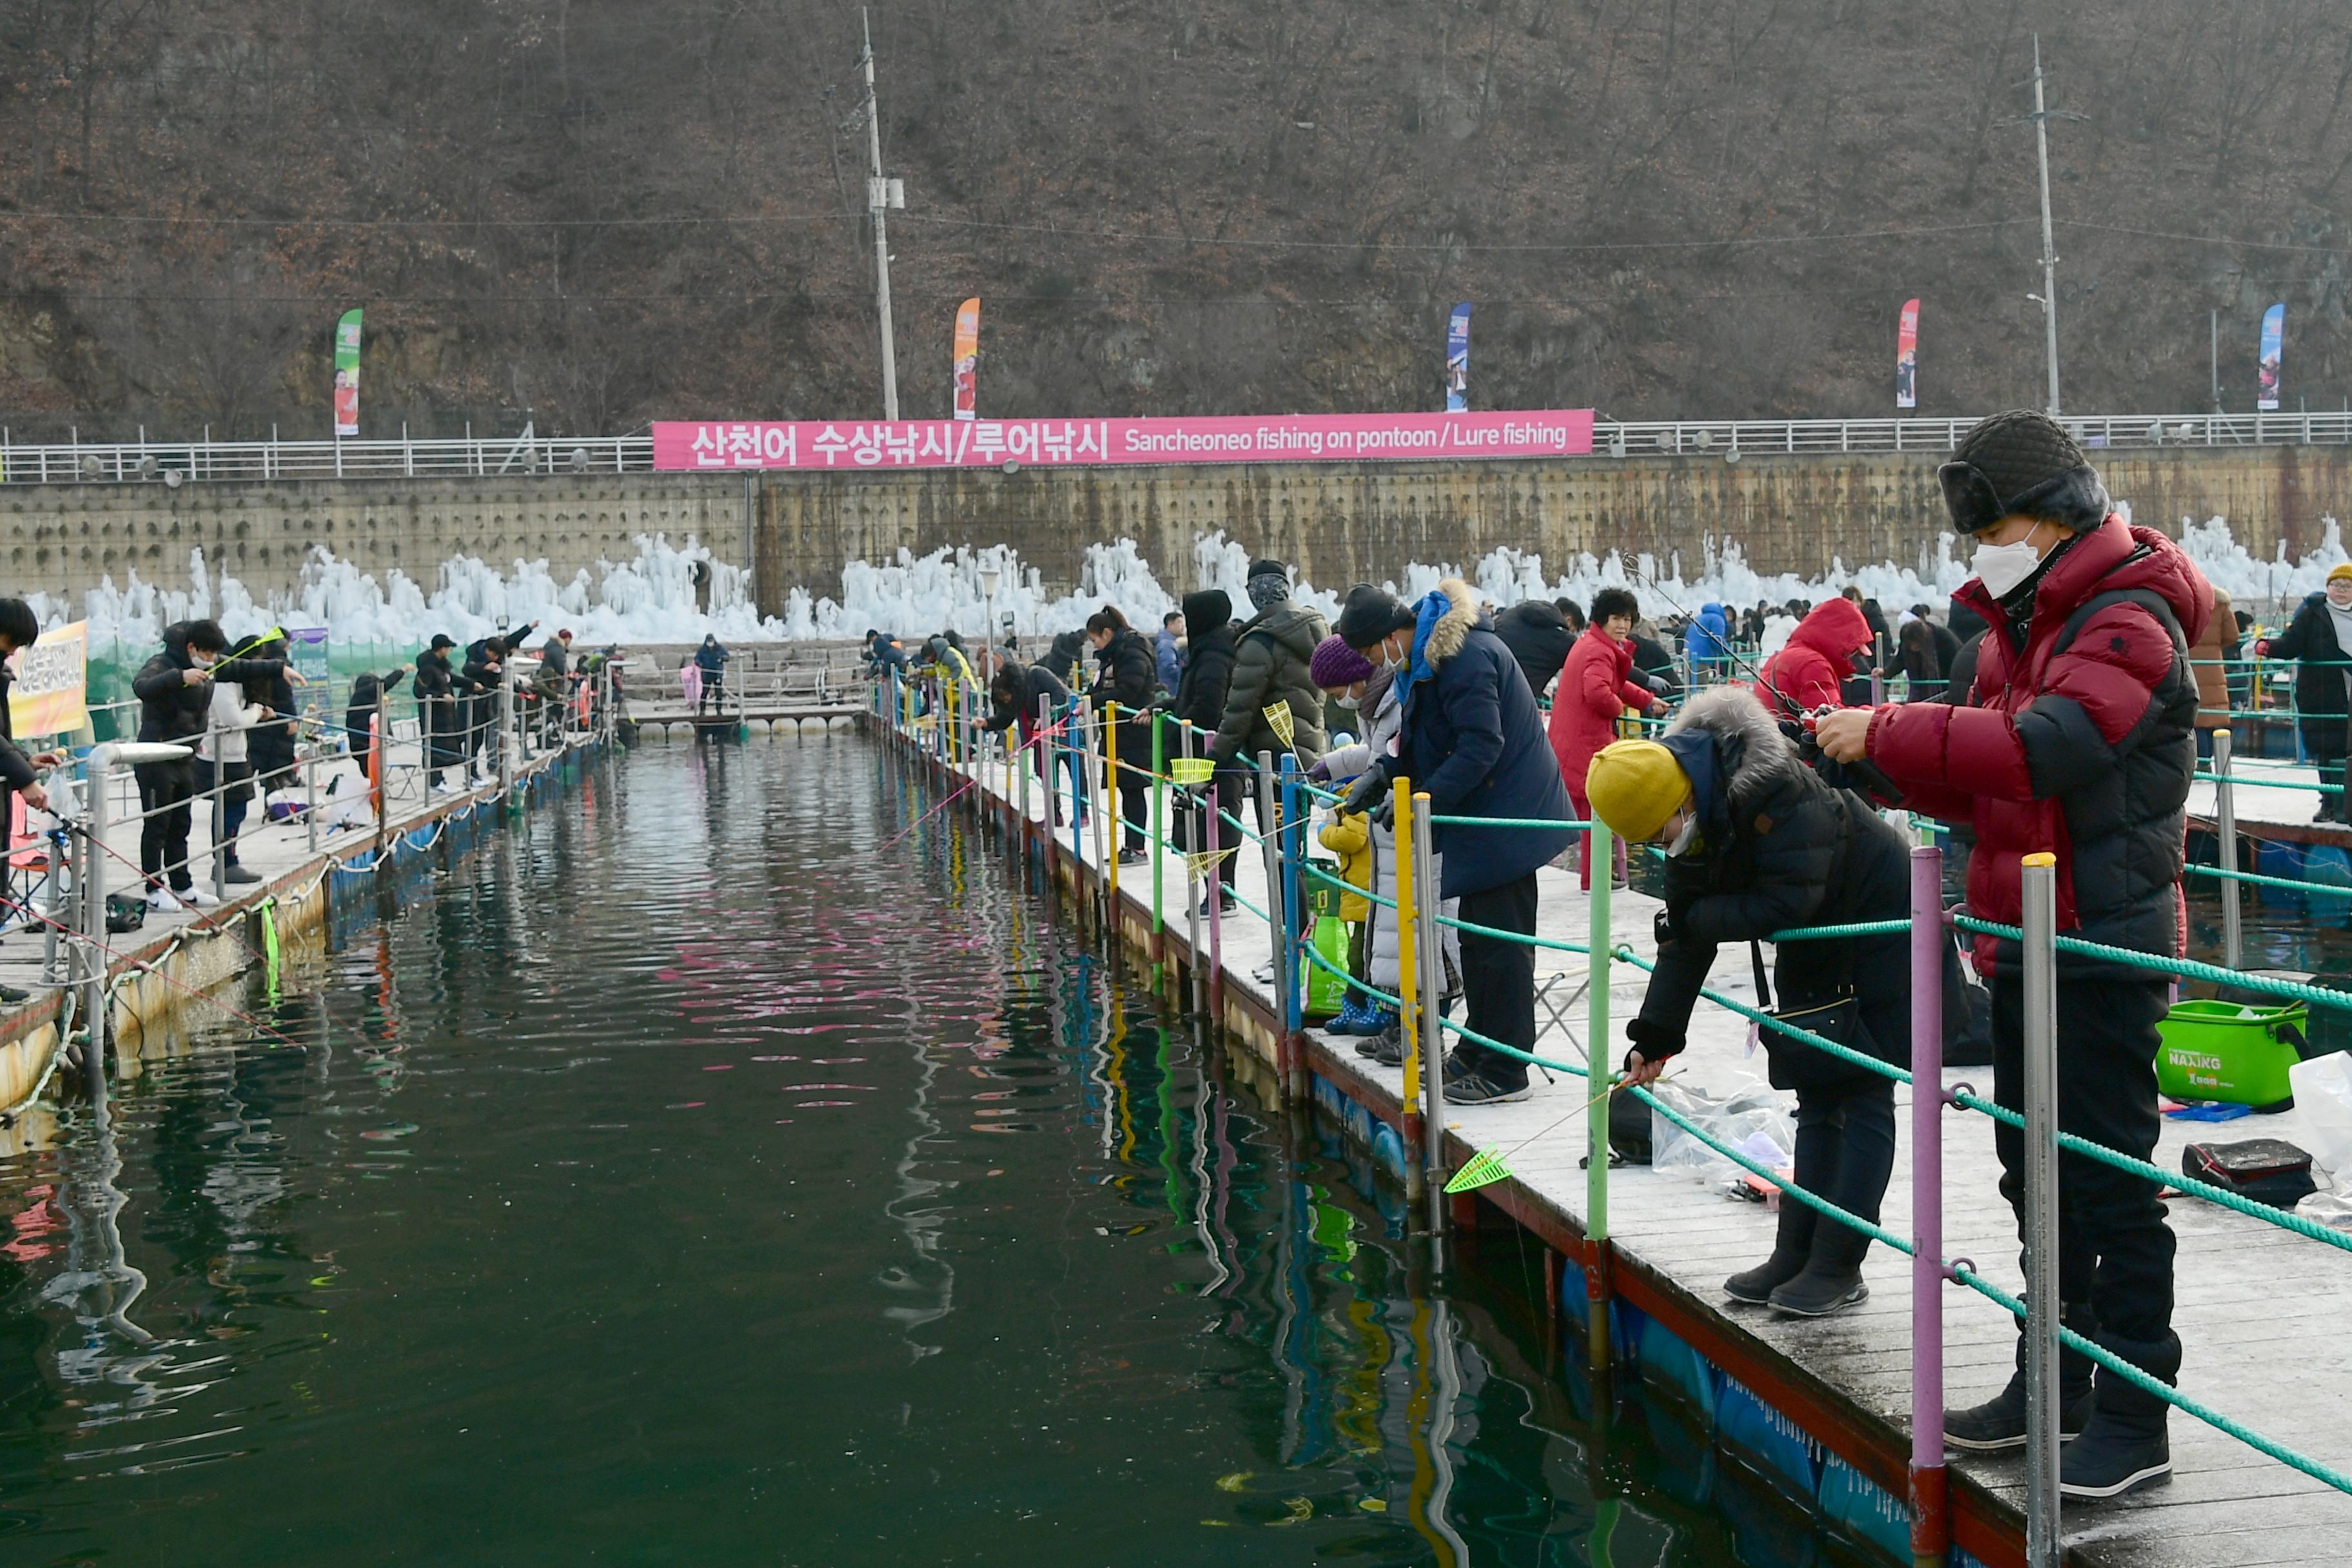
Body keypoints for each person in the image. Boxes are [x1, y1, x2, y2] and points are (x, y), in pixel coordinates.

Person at [1813, 409, 2208, 1496]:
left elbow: (2047, 749)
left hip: (2098, 940)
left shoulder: (2126, 617)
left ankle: (2134, 1408)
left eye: (1992, 524)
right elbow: (1981, 772)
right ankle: (2056, 1377)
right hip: (2019, 941)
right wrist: (1863, 761)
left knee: (2106, 1183)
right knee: (2033, 1176)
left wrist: (1888, 730)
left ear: (2046, 518)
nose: (1979, 546)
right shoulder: (2014, 631)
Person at [1592, 685, 1912, 1317]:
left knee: (1863, 1087)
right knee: (1816, 1088)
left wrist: (1702, 915)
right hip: (1815, 926)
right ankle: (1794, 1252)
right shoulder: (1699, 817)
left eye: (1663, 831)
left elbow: (1788, 900)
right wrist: (1653, 1038)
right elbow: (1688, 933)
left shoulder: (1776, 790)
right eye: (1650, 841)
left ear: (1682, 798)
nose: (1665, 846)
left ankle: (1839, 1263)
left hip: (1877, 917)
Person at [1335, 580, 1574, 1105]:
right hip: (1484, 816)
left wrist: (1420, 800)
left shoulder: (1462, 655)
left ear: (1389, 635)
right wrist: (1385, 773)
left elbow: (1481, 745)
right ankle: (1478, 1049)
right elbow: (1428, 738)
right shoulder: (1427, 658)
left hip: (1508, 816)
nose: (1376, 662)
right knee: (1478, 941)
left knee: (1501, 947)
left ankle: (1507, 1070)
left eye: (1372, 651)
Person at [132, 620, 288, 909]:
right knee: (157, 826)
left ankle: (183, 886)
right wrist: (179, 677)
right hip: (155, 758)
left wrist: (279, 668)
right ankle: (154, 890)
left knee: (181, 824)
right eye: (206, 655)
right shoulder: (162, 664)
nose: (211, 661)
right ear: (192, 648)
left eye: (214, 656)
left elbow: (243, 667)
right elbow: (141, 686)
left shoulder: (212, 664)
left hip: (184, 757)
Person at [1549, 587, 1669, 891]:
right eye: (1616, 618)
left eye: (1627, 619)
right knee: (1598, 809)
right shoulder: (1600, 651)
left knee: (1594, 811)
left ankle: (1603, 874)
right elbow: (1600, 693)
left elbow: (1614, 682)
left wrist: (1645, 700)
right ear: (1602, 619)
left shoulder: (1592, 644)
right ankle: (1596, 879)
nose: (1623, 625)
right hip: (1586, 743)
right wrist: (1620, 708)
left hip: (1572, 740)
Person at [1210, 558, 1329, 771]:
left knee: (1274, 806)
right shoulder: (1315, 629)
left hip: (1272, 759)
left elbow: (1239, 712)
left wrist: (1214, 762)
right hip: (1311, 750)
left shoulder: (1260, 642)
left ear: (1254, 593)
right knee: (1299, 804)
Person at [2254, 569, 2352, 816]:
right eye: (2337, 584)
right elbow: (2292, 643)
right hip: (2323, 695)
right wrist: (2268, 647)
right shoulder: (2312, 613)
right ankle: (2329, 803)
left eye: (2348, 586)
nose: (2341, 590)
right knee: (2328, 749)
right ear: (2327, 587)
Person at [1168, 589, 1239, 908]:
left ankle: (1221, 894)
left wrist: (1177, 724)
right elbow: (1193, 698)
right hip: (1199, 750)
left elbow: (1209, 705)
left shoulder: (1213, 654)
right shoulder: (1206, 650)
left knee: (1215, 820)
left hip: (1209, 752)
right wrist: (1166, 707)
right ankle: (1214, 891)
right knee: (1199, 821)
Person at [1084, 607, 1158, 863]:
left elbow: (1129, 690)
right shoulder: (1116, 653)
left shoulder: (1131, 651)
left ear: (1107, 633)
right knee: (1127, 790)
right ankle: (1130, 845)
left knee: (1133, 789)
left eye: (1095, 640)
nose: (1095, 645)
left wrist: (1092, 702)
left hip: (1133, 731)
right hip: (1119, 732)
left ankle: (1137, 848)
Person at [195, 665, 269, 885]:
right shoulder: (223, 687)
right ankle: (225, 863)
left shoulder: (237, 687)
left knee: (235, 810)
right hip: (221, 758)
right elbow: (234, 720)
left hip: (234, 756)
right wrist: (256, 711)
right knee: (230, 811)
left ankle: (228, 860)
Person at [984, 657, 1073, 823]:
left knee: (1075, 771)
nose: (1006, 700)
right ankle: (1054, 815)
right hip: (1041, 740)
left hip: (1065, 730)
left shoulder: (1038, 675)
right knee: (1045, 774)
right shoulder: (1015, 701)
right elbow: (1005, 718)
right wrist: (986, 723)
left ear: (1013, 687)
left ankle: (1082, 813)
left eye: (1005, 695)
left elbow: (1060, 695)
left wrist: (1045, 715)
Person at [1753, 596, 1873, 718]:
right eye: (1853, 651)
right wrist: (1874, 716)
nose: (1853, 661)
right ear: (1839, 641)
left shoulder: (1784, 656)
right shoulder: (1814, 666)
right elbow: (1831, 722)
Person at [1492, 599, 1577, 701]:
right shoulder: (1563, 640)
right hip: (1519, 698)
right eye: (1573, 631)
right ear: (1568, 621)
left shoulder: (1509, 615)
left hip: (1489, 684)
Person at [2188, 585, 2236, 761]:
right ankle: (2220, 760)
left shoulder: (2189, 600)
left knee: (2198, 717)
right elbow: (2233, 635)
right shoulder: (2221, 604)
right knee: (2214, 716)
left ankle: (2202, 761)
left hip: (2192, 661)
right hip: (2214, 664)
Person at [414, 634, 464, 794]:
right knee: (433, 744)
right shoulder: (428, 669)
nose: (449, 651)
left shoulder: (441, 667)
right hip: (433, 715)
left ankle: (439, 779)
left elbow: (451, 680)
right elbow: (419, 690)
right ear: (442, 649)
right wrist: (440, 697)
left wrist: (472, 684)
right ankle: (434, 782)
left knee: (442, 745)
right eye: (448, 648)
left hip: (444, 715)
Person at [695, 634, 732, 715]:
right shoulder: (702, 650)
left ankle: (719, 710)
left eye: (711, 641)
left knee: (718, 693)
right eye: (709, 641)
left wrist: (722, 658)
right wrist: (699, 663)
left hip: (717, 673)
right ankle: (702, 711)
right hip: (707, 673)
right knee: (705, 692)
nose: (710, 643)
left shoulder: (719, 648)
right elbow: (697, 659)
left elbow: (727, 657)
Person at [1155, 611, 1186, 692]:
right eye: (1179, 622)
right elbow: (1169, 667)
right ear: (1170, 624)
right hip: (1171, 689)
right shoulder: (1167, 644)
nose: (1183, 626)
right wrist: (1186, 675)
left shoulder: (1170, 642)